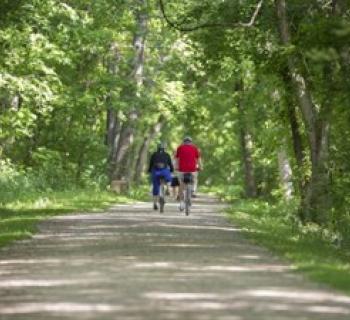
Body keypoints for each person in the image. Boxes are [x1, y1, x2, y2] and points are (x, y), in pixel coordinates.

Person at [175, 136, 202, 211]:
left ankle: (181, 203)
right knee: (195, 179)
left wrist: (176, 167)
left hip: (182, 170)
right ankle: (193, 190)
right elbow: (198, 159)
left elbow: (177, 159)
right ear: (191, 142)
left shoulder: (179, 148)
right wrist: (201, 167)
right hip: (192, 169)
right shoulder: (195, 148)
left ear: (184, 142)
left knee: (181, 185)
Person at [148, 143, 174, 210]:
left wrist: (149, 170)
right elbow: (170, 164)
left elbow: (151, 164)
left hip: (156, 172)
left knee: (155, 187)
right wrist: (171, 170)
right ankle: (168, 188)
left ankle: (154, 203)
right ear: (164, 148)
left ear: (157, 148)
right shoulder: (167, 155)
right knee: (169, 178)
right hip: (164, 172)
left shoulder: (154, 154)